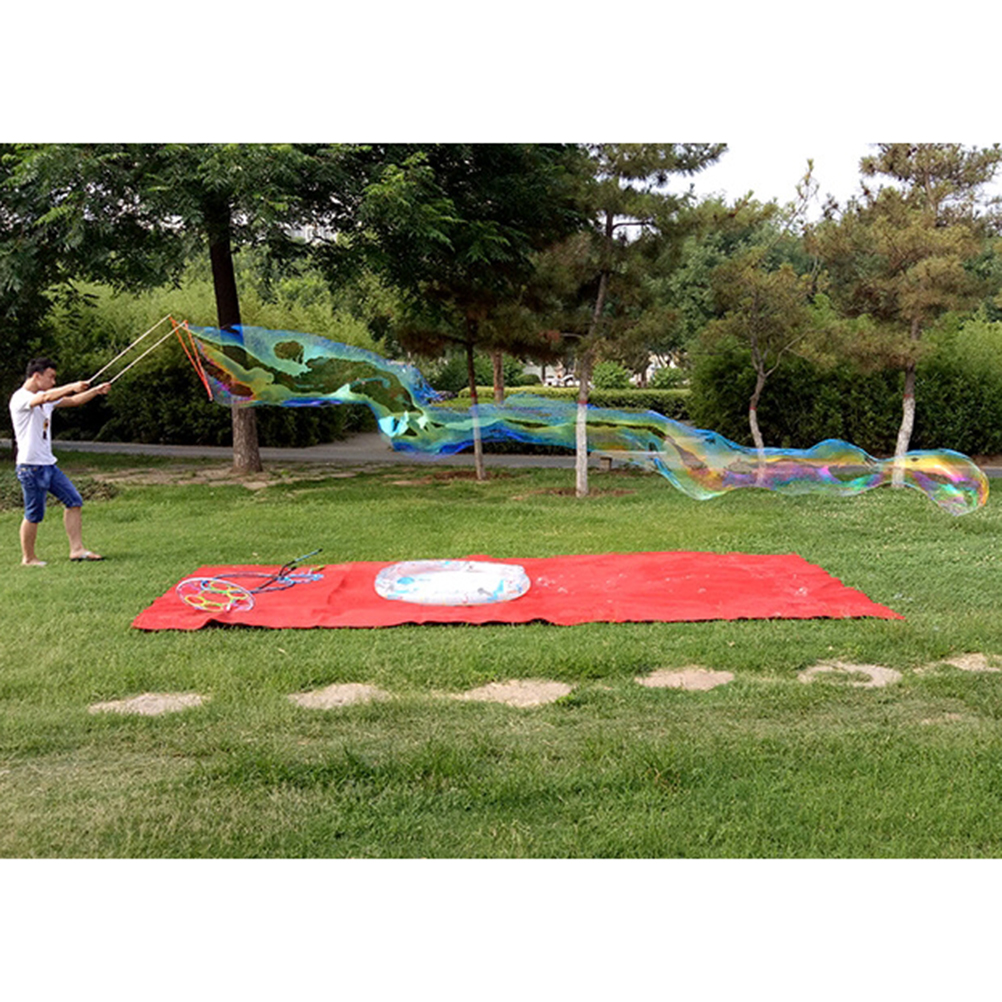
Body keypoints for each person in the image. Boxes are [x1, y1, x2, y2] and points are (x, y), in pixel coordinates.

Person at [9, 357, 111, 566]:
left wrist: (95, 391)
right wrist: (72, 386)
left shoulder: (47, 397)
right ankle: (28, 558)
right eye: (51, 377)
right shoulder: (21, 398)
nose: (54, 382)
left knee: (74, 501)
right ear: (36, 376)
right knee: (33, 514)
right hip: (30, 467)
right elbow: (46, 396)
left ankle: (77, 549)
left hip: (48, 464)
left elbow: (73, 401)